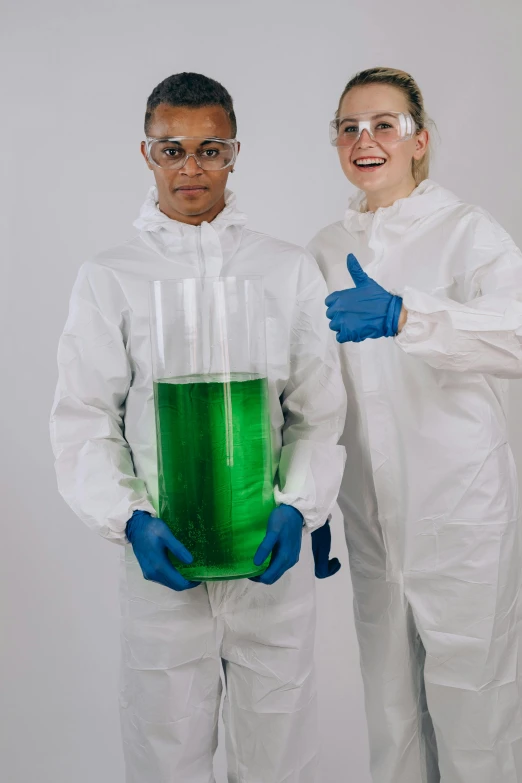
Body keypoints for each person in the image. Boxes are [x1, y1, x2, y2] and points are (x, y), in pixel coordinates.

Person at [50, 72, 346, 783]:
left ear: (235, 153)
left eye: (210, 149)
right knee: (165, 752)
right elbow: (85, 417)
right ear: (145, 153)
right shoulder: (110, 277)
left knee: (279, 752)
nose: (191, 166)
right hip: (166, 558)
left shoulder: (285, 269)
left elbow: (317, 407)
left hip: (266, 556)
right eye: (171, 148)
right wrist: (129, 519)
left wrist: (299, 505)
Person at [308, 67, 522, 783]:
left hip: (459, 520)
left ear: (419, 140)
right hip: (372, 524)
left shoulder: (465, 232)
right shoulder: (326, 248)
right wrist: (310, 497)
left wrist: (409, 315)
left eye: (384, 125)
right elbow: (316, 390)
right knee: (391, 720)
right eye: (349, 127)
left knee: (475, 719)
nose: (364, 140)